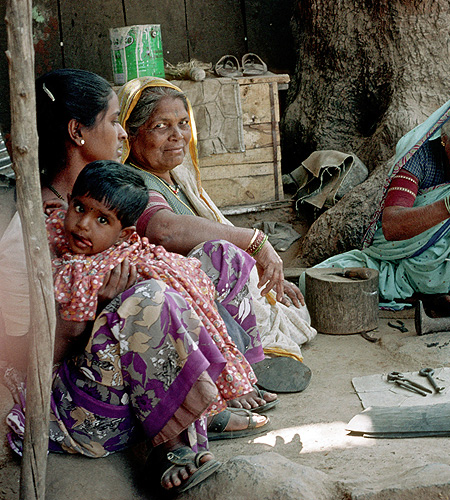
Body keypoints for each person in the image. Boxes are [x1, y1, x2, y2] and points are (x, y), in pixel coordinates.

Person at [0, 69, 248, 493]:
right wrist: (95, 310)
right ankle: (169, 446)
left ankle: (209, 395)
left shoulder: (109, 201)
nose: (122, 134)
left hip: (120, 379)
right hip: (74, 404)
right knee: (149, 297)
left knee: (209, 260)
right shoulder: (32, 232)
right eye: (114, 120)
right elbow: (25, 358)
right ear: (78, 131)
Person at [46, 161, 270, 436]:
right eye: (79, 209)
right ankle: (192, 418)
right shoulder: (53, 244)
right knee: (154, 298)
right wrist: (102, 306)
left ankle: (238, 377)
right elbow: (58, 347)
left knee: (223, 255)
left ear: (124, 236)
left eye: (102, 220)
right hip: (88, 379)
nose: (83, 224)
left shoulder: (125, 248)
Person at [118, 76, 316, 367]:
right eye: (160, 126)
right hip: (175, 294)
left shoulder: (177, 176)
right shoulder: (133, 182)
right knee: (229, 260)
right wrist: (255, 241)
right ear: (131, 134)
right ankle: (243, 360)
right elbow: (164, 230)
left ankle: (249, 344)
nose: (177, 135)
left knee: (293, 307)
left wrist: (260, 274)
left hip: (210, 285)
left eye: (183, 123)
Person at [307, 90, 450, 322]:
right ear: (445, 137)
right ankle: (430, 295)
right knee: (314, 280)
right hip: (422, 267)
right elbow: (392, 226)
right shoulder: (419, 158)